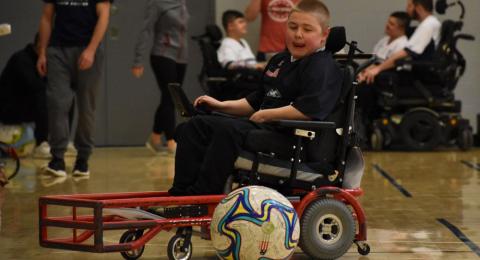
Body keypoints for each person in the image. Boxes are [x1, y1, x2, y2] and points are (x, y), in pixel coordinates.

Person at [168, 0, 342, 196]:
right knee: (196, 125)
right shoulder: (280, 60)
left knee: (227, 132)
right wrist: (220, 105)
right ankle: (181, 193)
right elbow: (254, 101)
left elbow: (308, 110)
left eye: (307, 29)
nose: (298, 34)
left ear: (324, 35)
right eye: (292, 27)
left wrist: (265, 115)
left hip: (293, 139)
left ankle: (204, 195)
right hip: (266, 129)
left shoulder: (322, 66)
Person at [37, 0, 112, 177]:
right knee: (57, 103)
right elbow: (46, 18)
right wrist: (42, 53)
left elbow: (104, 16)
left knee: (87, 107)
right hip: (58, 50)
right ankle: (57, 158)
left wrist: (91, 49)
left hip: (88, 49)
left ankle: (83, 159)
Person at [132, 0, 189, 155]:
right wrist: (138, 60)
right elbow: (146, 31)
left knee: (170, 98)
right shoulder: (157, 3)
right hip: (162, 54)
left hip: (181, 57)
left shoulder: (182, 3)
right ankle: (171, 141)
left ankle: (155, 136)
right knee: (170, 97)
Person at [360, 0, 440, 85]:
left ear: (419, 8)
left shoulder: (427, 25)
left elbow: (407, 52)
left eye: (409, 6)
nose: (407, 9)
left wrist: (378, 69)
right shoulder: (429, 23)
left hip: (418, 76)